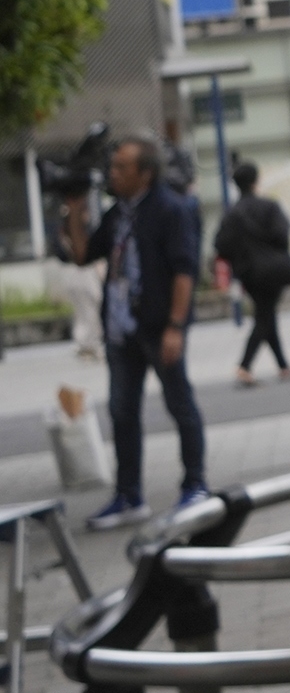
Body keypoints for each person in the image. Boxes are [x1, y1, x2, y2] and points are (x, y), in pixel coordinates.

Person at [67, 136, 205, 528]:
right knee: (122, 411)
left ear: (145, 173)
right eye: (113, 166)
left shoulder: (170, 209)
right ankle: (129, 496)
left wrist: (176, 327)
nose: (113, 173)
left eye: (121, 167)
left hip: (159, 325)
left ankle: (195, 485)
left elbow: (185, 270)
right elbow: (83, 255)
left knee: (180, 404)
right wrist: (75, 210)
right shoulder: (117, 214)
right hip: (121, 329)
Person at [213, 158, 290, 385]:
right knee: (265, 316)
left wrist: (241, 258)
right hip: (273, 270)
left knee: (266, 314)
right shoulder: (269, 207)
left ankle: (283, 366)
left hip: (249, 274)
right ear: (255, 181)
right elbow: (282, 236)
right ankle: (244, 365)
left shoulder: (231, 214)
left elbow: (221, 245)